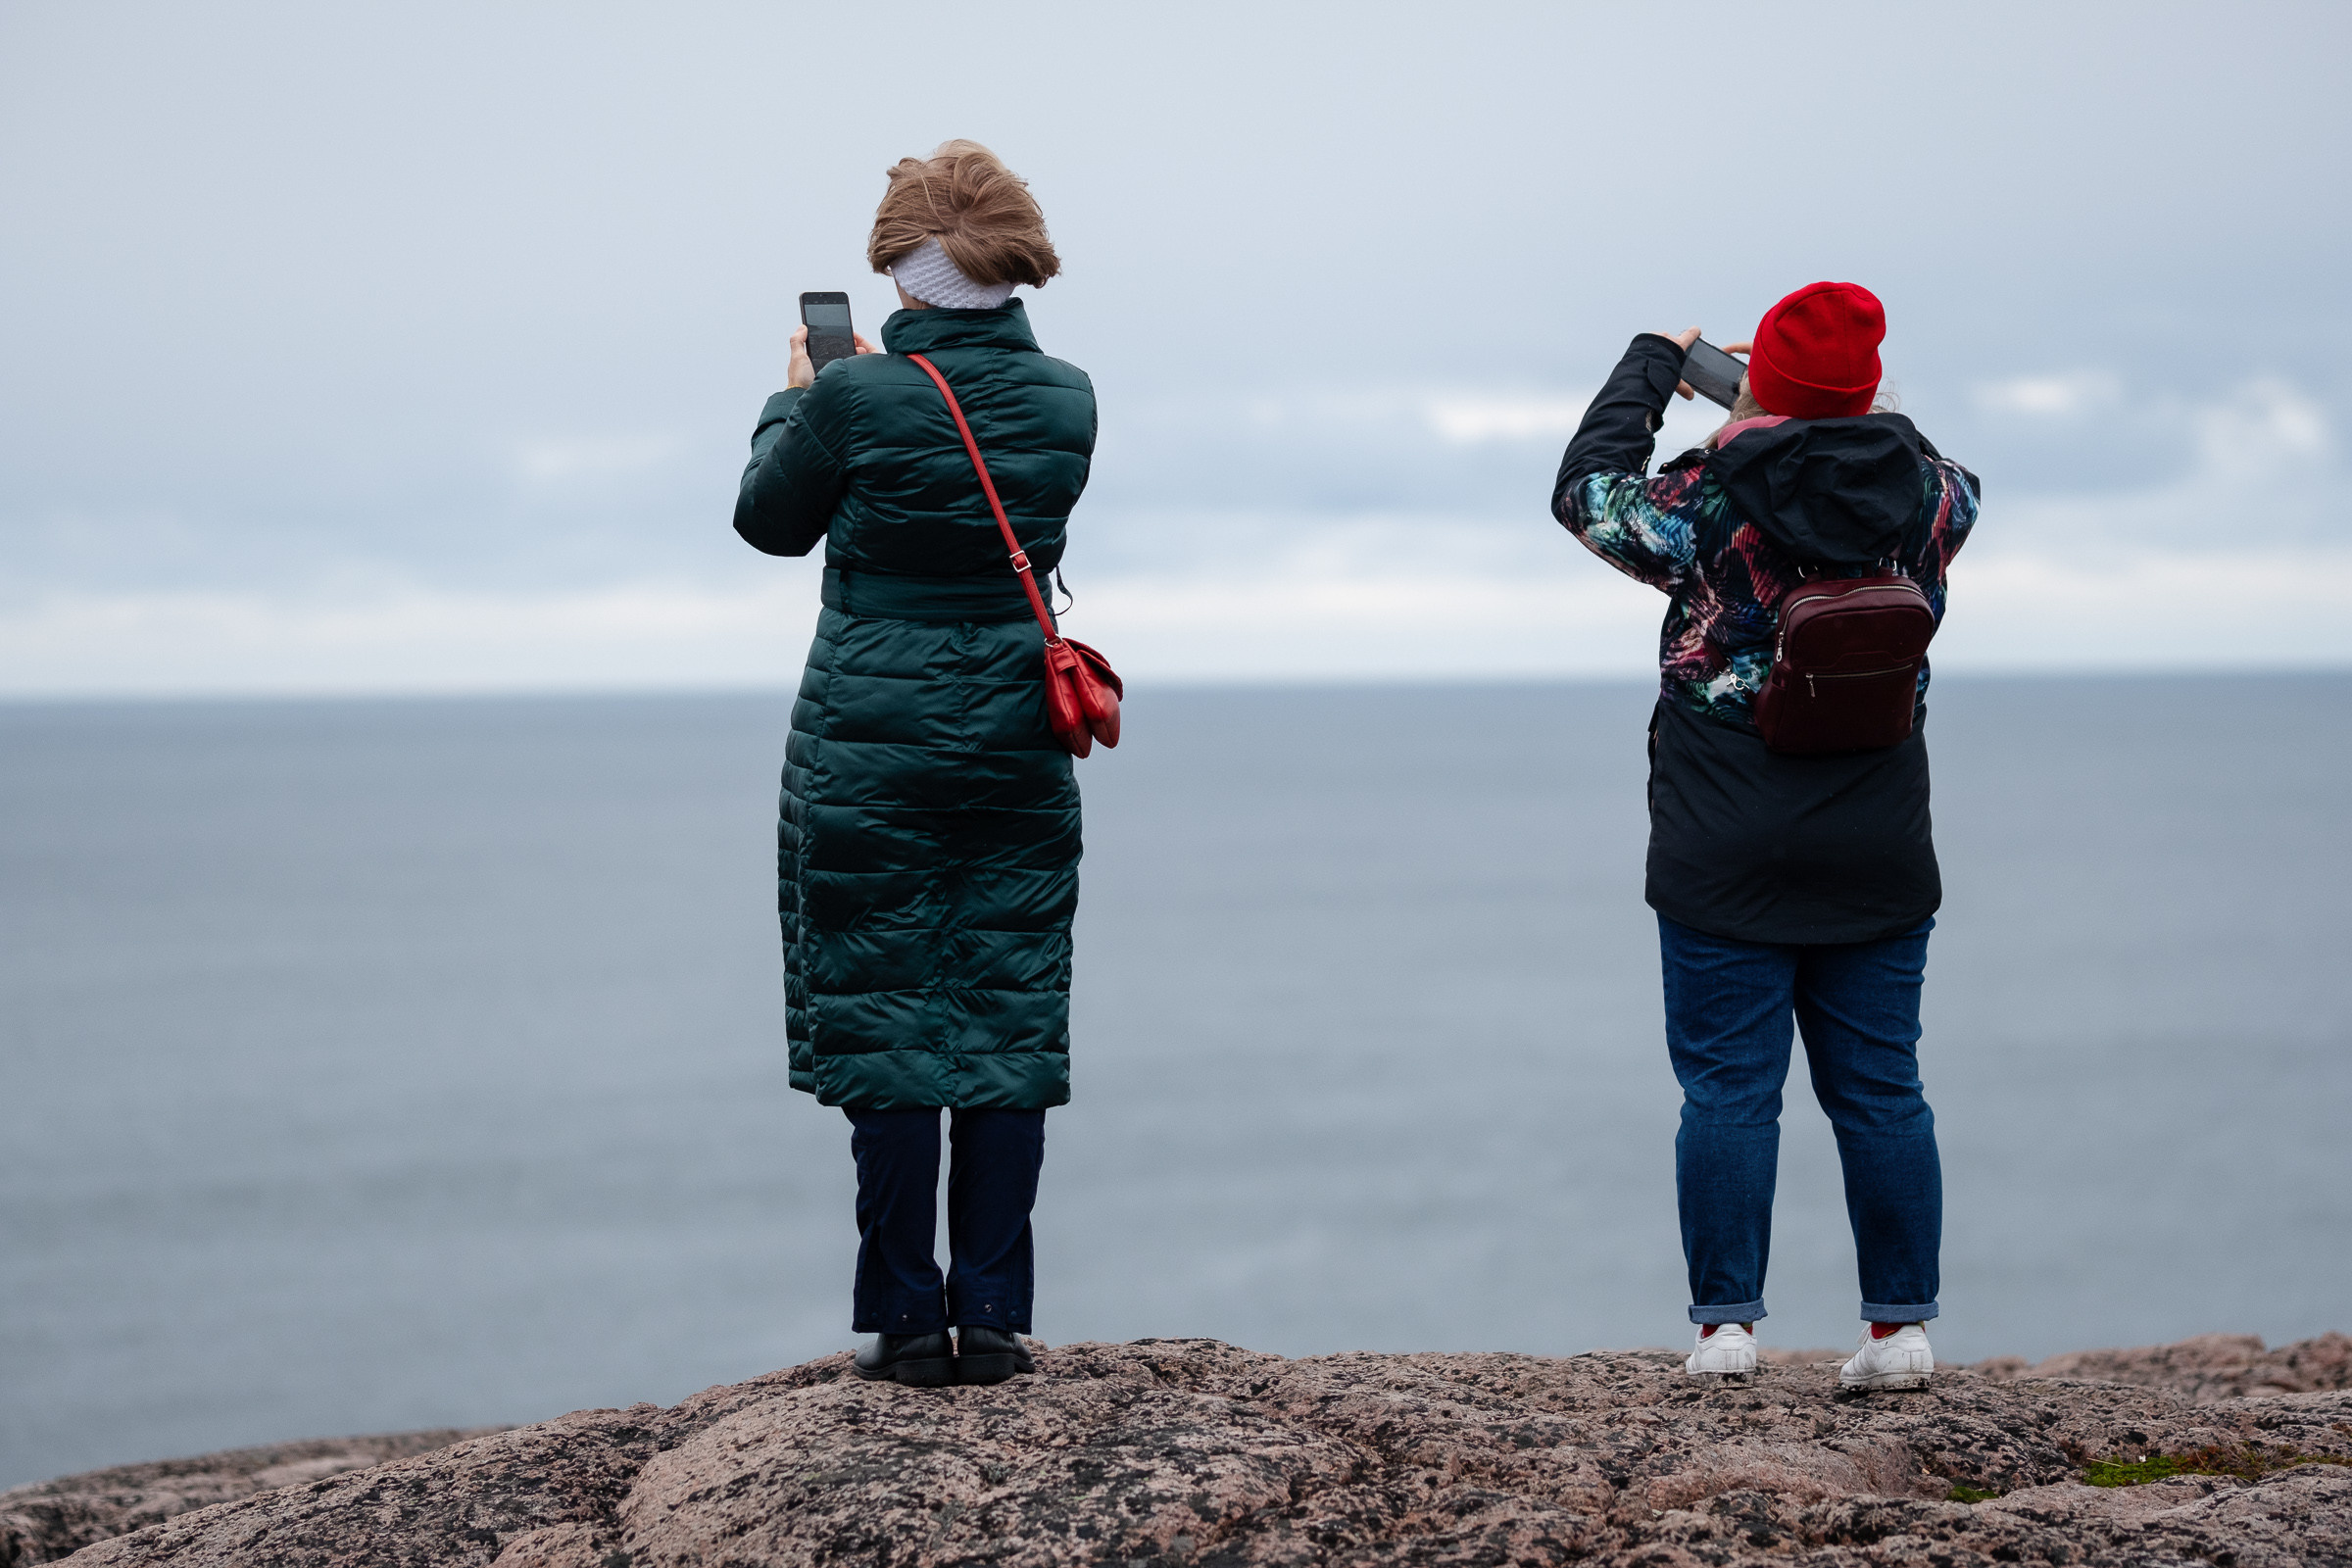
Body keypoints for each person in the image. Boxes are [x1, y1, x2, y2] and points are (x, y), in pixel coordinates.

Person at [1550, 282, 1981, 1389]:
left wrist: (1659, 360)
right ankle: (1901, 1333)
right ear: (1870, 391)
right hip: (1878, 833)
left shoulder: (1705, 498)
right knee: (1883, 1087)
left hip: (1722, 832)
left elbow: (1585, 492)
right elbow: (1929, 463)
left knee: (1729, 1091)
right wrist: (1841, 408)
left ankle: (1727, 1331)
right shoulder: (1933, 498)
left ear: (1765, 390)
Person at [731, 141, 1096, 1388]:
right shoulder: (1070, 398)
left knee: (888, 1019)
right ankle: (993, 1311)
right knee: (1003, 1016)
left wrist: (797, 395)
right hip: (1012, 733)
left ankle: (901, 1315)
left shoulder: (854, 396)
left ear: (899, 264)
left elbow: (769, 524)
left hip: (867, 739)